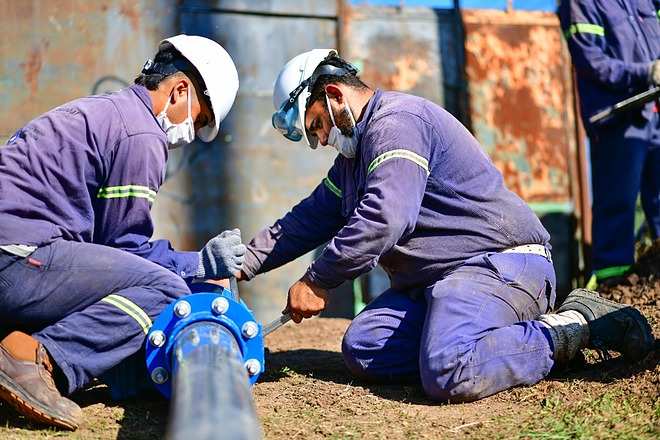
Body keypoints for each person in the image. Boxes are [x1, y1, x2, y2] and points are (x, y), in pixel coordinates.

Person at [235, 50, 654, 402]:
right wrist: (238, 264)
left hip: (496, 265)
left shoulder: (397, 123)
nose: (320, 140)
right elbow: (305, 221)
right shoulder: (351, 163)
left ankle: (573, 326)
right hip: (438, 284)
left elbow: (387, 217)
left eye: (316, 126)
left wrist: (317, 280)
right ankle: (484, 337)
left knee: (447, 367)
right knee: (365, 347)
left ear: (333, 94)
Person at [0, 35, 246, 430]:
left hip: (16, 251)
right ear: (180, 90)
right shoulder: (141, 135)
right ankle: (33, 356)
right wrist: (198, 264)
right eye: (198, 120)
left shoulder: (105, 110)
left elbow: (103, 255)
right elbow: (125, 249)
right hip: (17, 254)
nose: (189, 133)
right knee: (165, 290)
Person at [558, 0, 660, 288]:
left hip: (654, 112)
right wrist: (647, 72)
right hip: (618, 118)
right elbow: (593, 64)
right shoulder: (581, 3)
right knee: (617, 205)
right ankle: (613, 287)